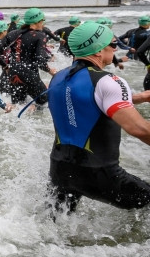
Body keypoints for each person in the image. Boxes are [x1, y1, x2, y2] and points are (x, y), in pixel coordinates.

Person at [47, 21, 150, 215]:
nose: (116, 48)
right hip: (98, 172)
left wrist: (139, 98)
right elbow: (140, 129)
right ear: (97, 51)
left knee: (53, 230)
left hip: (60, 169)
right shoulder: (109, 81)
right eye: (113, 44)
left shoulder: (58, 78)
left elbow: (83, 101)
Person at [2, 8, 55, 109]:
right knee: (44, 101)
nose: (43, 24)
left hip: (13, 73)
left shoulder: (12, 33)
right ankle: (35, 115)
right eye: (42, 21)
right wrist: (49, 71)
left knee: (18, 106)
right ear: (36, 22)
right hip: (28, 73)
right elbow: (40, 60)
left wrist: (5, 66)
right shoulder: (40, 35)